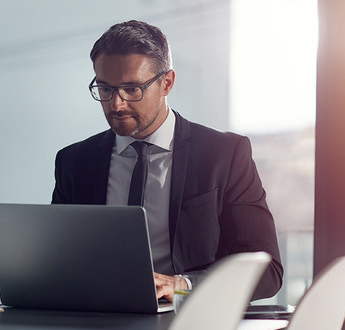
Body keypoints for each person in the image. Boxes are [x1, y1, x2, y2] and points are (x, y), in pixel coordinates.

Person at [51, 20, 283, 302]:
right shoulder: (74, 162)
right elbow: (59, 262)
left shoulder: (224, 154)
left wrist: (183, 285)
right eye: (105, 89)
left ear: (167, 83)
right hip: (97, 321)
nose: (116, 104)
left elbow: (267, 271)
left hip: (188, 323)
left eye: (132, 89)